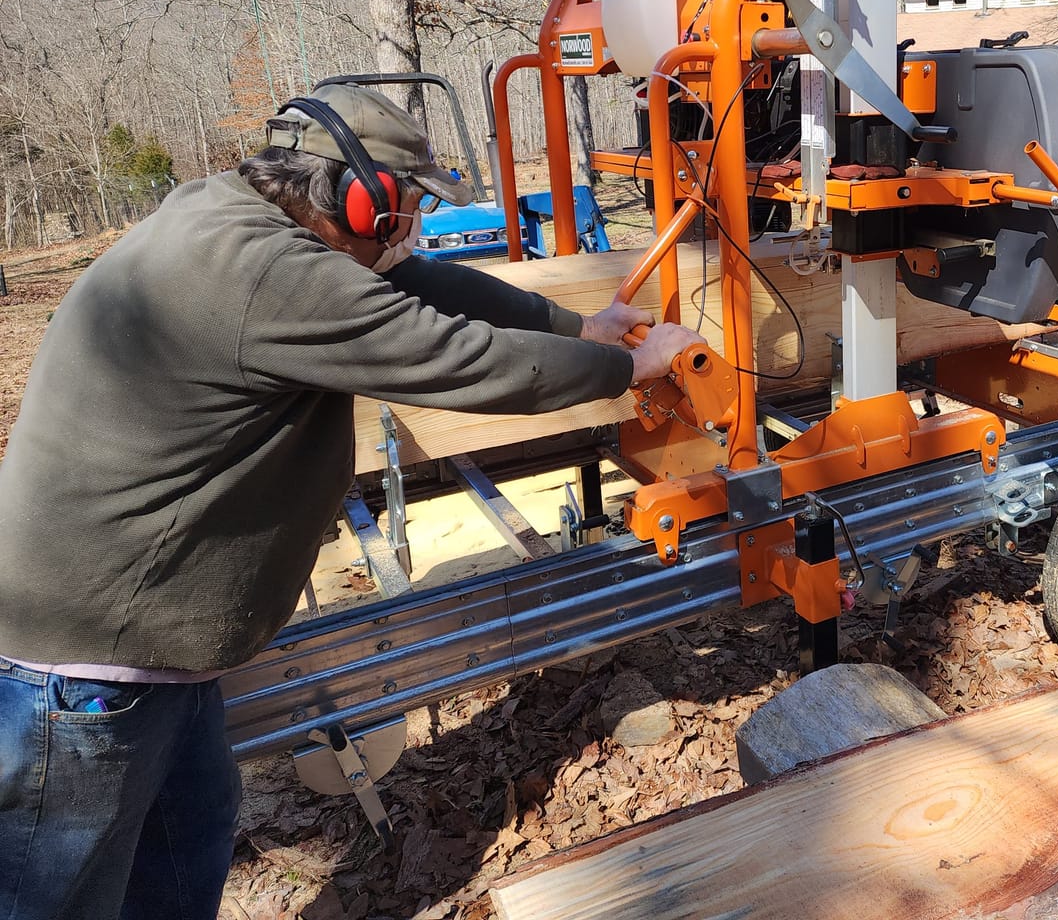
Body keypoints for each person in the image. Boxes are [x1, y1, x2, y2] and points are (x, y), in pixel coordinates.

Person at [0, 84, 701, 919]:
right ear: (355, 198)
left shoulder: (227, 214)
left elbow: (428, 287)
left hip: (150, 652)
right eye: (402, 207)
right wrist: (633, 366)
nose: (408, 227)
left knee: (181, 863)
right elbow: (456, 357)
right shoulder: (267, 274)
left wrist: (571, 323)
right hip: (87, 668)